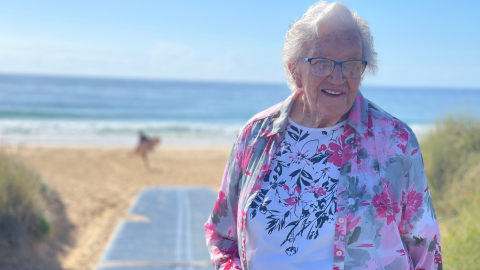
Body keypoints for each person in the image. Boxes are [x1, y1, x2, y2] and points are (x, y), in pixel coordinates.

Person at [205, 1, 442, 270]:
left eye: (351, 64)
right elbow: (221, 236)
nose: (338, 77)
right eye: (322, 63)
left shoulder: (395, 141)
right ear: (295, 70)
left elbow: (426, 250)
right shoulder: (255, 136)